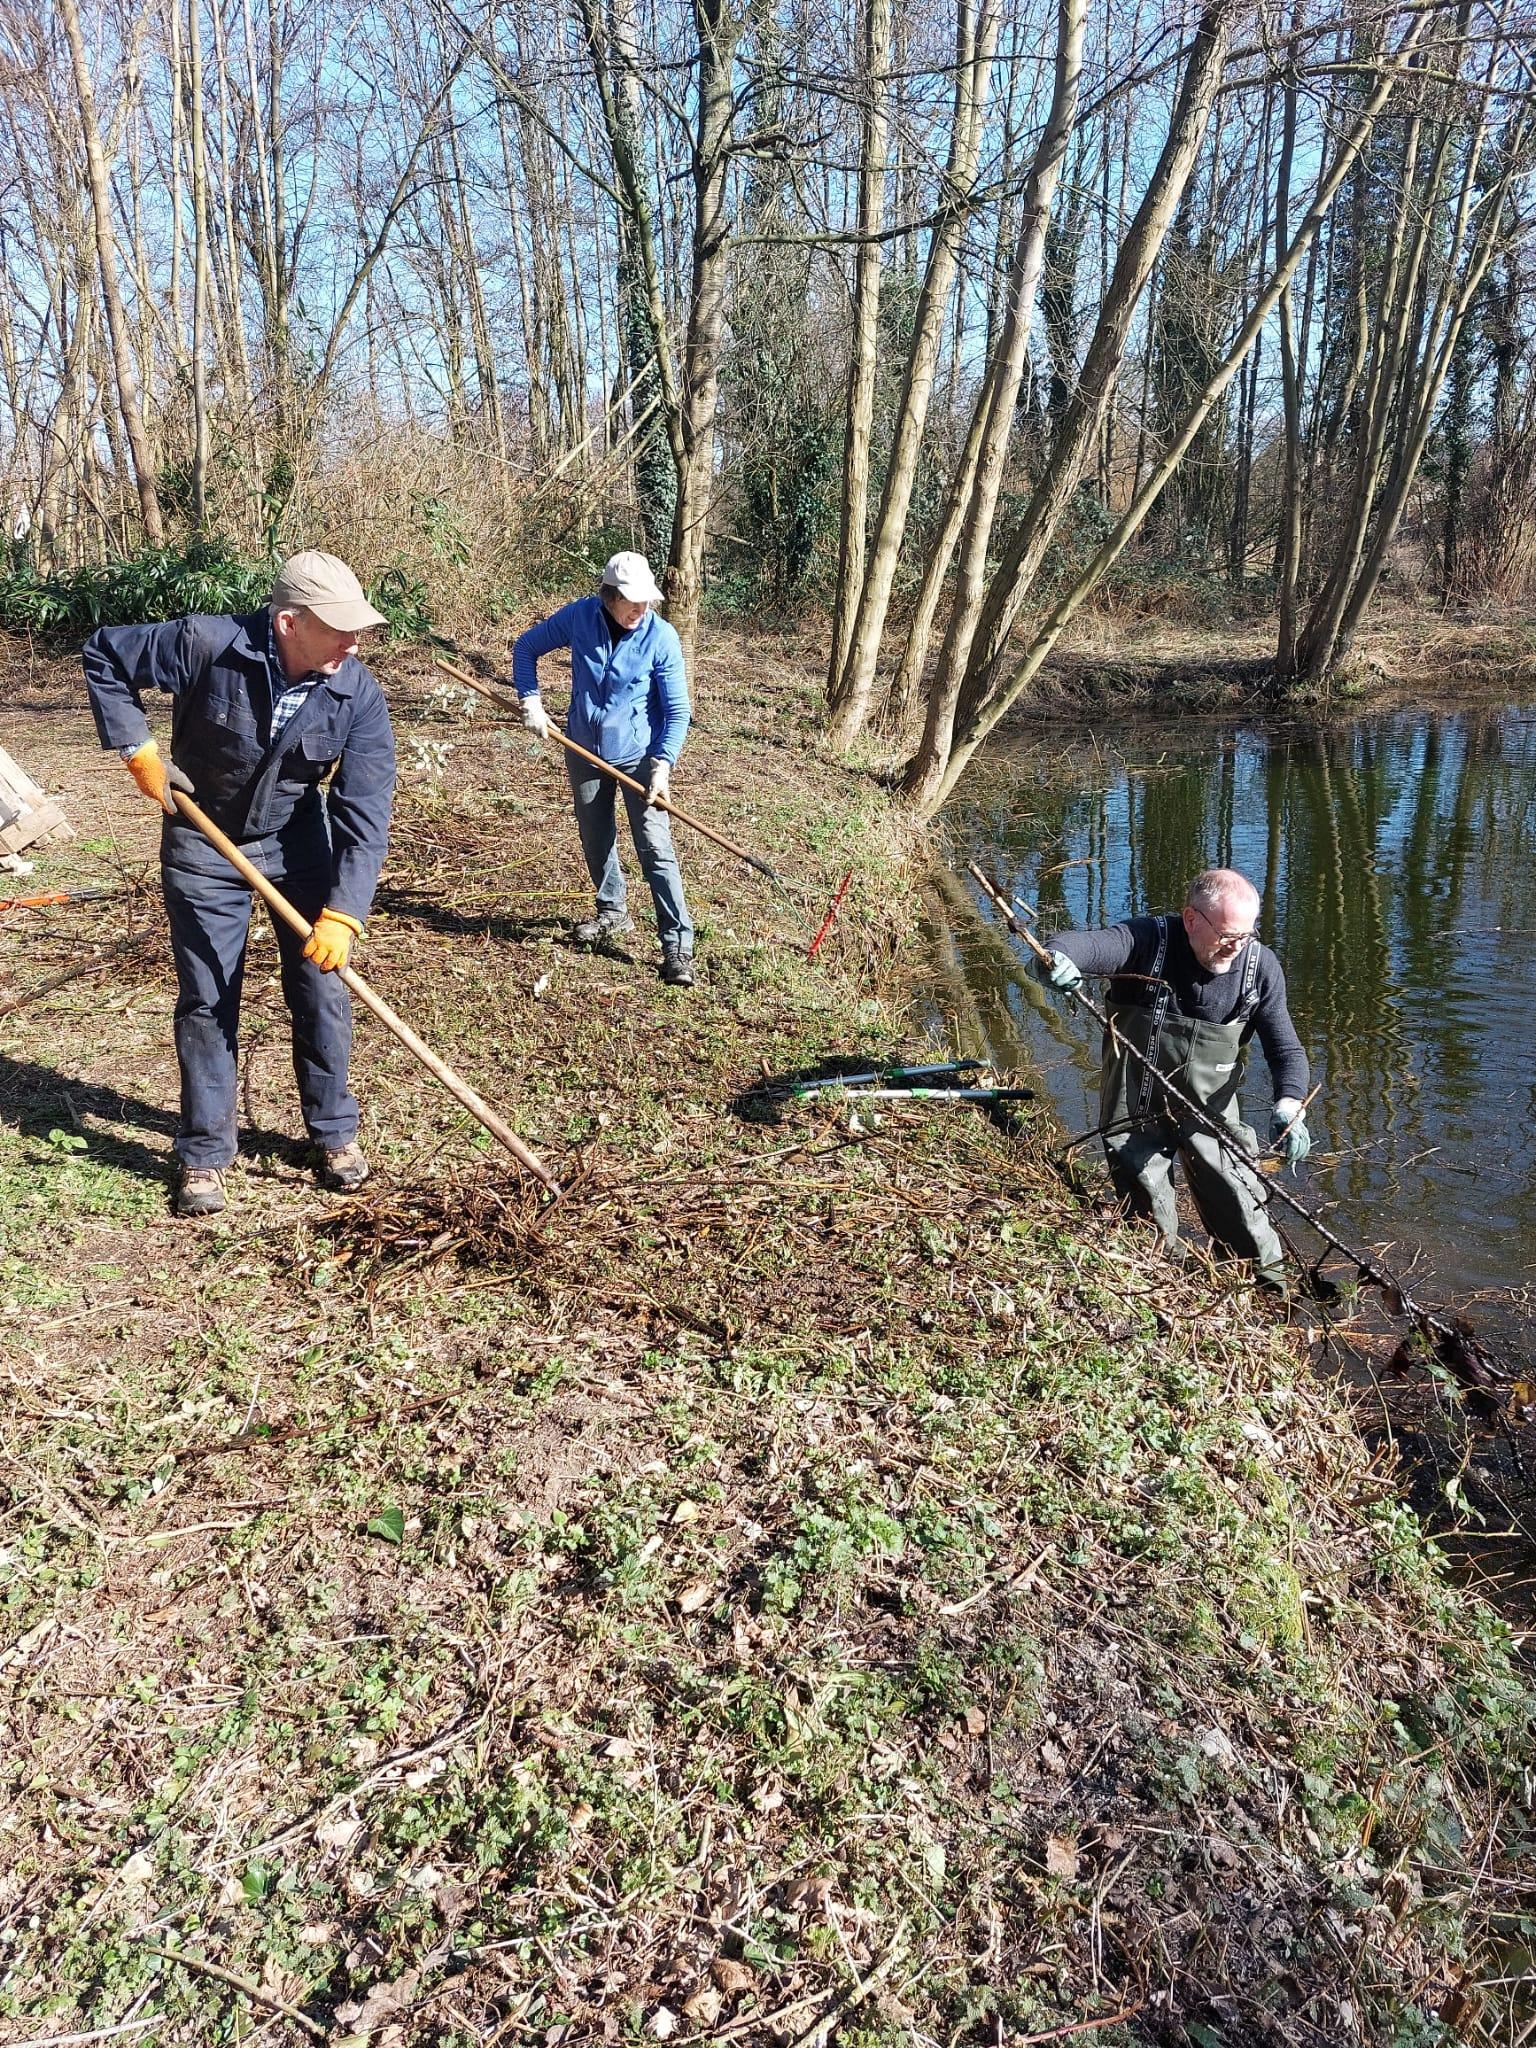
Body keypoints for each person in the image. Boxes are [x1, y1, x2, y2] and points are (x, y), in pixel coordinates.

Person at [83, 550, 397, 1217]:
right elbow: (105, 652)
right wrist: (138, 749)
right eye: (339, 628)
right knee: (208, 996)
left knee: (321, 985)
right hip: (203, 838)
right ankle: (203, 1153)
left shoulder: (356, 692)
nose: (354, 642)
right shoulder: (206, 643)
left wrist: (345, 912)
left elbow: (365, 812)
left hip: (295, 843)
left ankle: (333, 1134)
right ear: (289, 623)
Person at [1038, 867, 1312, 1290]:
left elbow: (1286, 1050)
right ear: (1190, 919)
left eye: (1246, 935)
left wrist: (1290, 1104)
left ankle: (1271, 1296)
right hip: (1135, 1108)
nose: (1236, 947)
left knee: (1242, 1203)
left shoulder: (1259, 968)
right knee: (1148, 1217)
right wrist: (1055, 959)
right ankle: (1167, 1290)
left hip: (1211, 1110)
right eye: (1226, 935)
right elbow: (1081, 945)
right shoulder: (1147, 942)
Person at [512, 551, 695, 987]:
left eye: (646, 600)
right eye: (632, 600)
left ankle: (677, 945)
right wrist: (530, 700)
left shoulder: (661, 637)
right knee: (596, 837)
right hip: (582, 748)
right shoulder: (580, 617)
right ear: (609, 596)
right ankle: (613, 911)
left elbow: (677, 711)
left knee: (655, 847)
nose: (641, 608)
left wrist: (663, 764)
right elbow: (526, 647)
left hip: (640, 757)